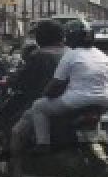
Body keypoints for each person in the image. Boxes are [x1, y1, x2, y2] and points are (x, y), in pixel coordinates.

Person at [28, 21, 108, 151]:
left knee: (38, 107)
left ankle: (43, 144)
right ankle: (96, 140)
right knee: (94, 115)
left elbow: (56, 82)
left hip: (75, 101)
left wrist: (45, 94)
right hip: (105, 102)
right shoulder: (102, 55)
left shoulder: (70, 54)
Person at [7, 20, 66, 166]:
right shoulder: (71, 53)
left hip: (46, 101)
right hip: (72, 102)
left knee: (16, 131)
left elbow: (22, 78)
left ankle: (16, 175)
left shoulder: (39, 56)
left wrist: (11, 82)